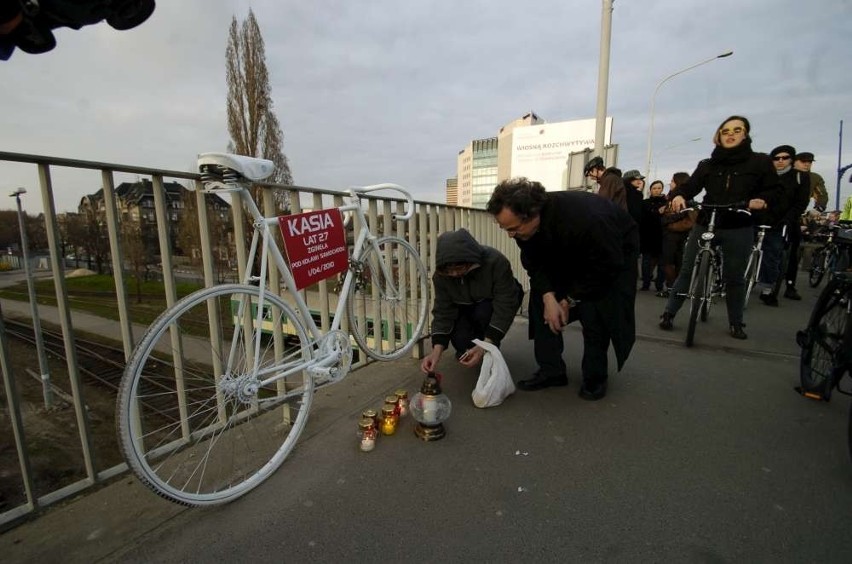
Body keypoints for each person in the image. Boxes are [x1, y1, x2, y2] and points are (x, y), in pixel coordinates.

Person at [486, 178, 639, 401]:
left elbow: (605, 267)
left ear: (532, 213)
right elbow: (534, 262)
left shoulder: (590, 217)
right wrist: (549, 298)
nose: (510, 235)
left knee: (595, 311)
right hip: (567, 254)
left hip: (609, 256)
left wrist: (568, 299)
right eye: (505, 229)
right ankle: (551, 370)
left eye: (514, 228)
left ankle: (595, 377)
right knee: (540, 302)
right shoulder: (523, 229)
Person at [658, 115, 780, 340]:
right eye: (726, 131)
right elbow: (690, 186)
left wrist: (761, 200)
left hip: (739, 223)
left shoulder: (759, 162)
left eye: (737, 130)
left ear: (745, 134)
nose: (731, 134)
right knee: (686, 269)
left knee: (734, 276)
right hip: (708, 220)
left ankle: (736, 322)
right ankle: (668, 314)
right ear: (718, 136)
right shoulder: (708, 164)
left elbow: (772, 190)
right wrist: (678, 196)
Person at [419, 228, 523, 375]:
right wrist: (436, 352)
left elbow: (505, 304)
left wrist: (486, 344)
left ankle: (489, 346)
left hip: (492, 303)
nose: (454, 274)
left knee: (483, 313)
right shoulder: (441, 276)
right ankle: (472, 349)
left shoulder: (496, 262)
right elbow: (443, 311)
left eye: (459, 268)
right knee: (462, 341)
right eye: (449, 270)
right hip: (464, 305)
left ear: (471, 260)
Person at [753, 145, 804, 306]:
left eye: (784, 158)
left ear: (791, 159)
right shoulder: (764, 175)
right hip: (756, 218)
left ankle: (767, 289)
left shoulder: (799, 177)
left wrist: (788, 219)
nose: (780, 161)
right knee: (741, 248)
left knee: (773, 253)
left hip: (779, 221)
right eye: (776, 158)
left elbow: (800, 202)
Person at [658, 172, 695, 297]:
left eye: (672, 181)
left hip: (672, 234)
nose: (670, 183)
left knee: (668, 262)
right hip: (681, 234)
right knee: (678, 261)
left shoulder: (679, 198)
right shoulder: (685, 197)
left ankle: (671, 288)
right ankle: (677, 289)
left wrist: (664, 219)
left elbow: (681, 213)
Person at [639, 179, 667, 293]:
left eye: (659, 188)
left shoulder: (666, 203)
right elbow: (644, 218)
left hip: (662, 236)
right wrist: (657, 212)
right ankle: (645, 283)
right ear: (650, 190)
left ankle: (659, 285)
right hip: (648, 236)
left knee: (662, 263)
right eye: (654, 188)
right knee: (646, 262)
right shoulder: (645, 203)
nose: (657, 190)